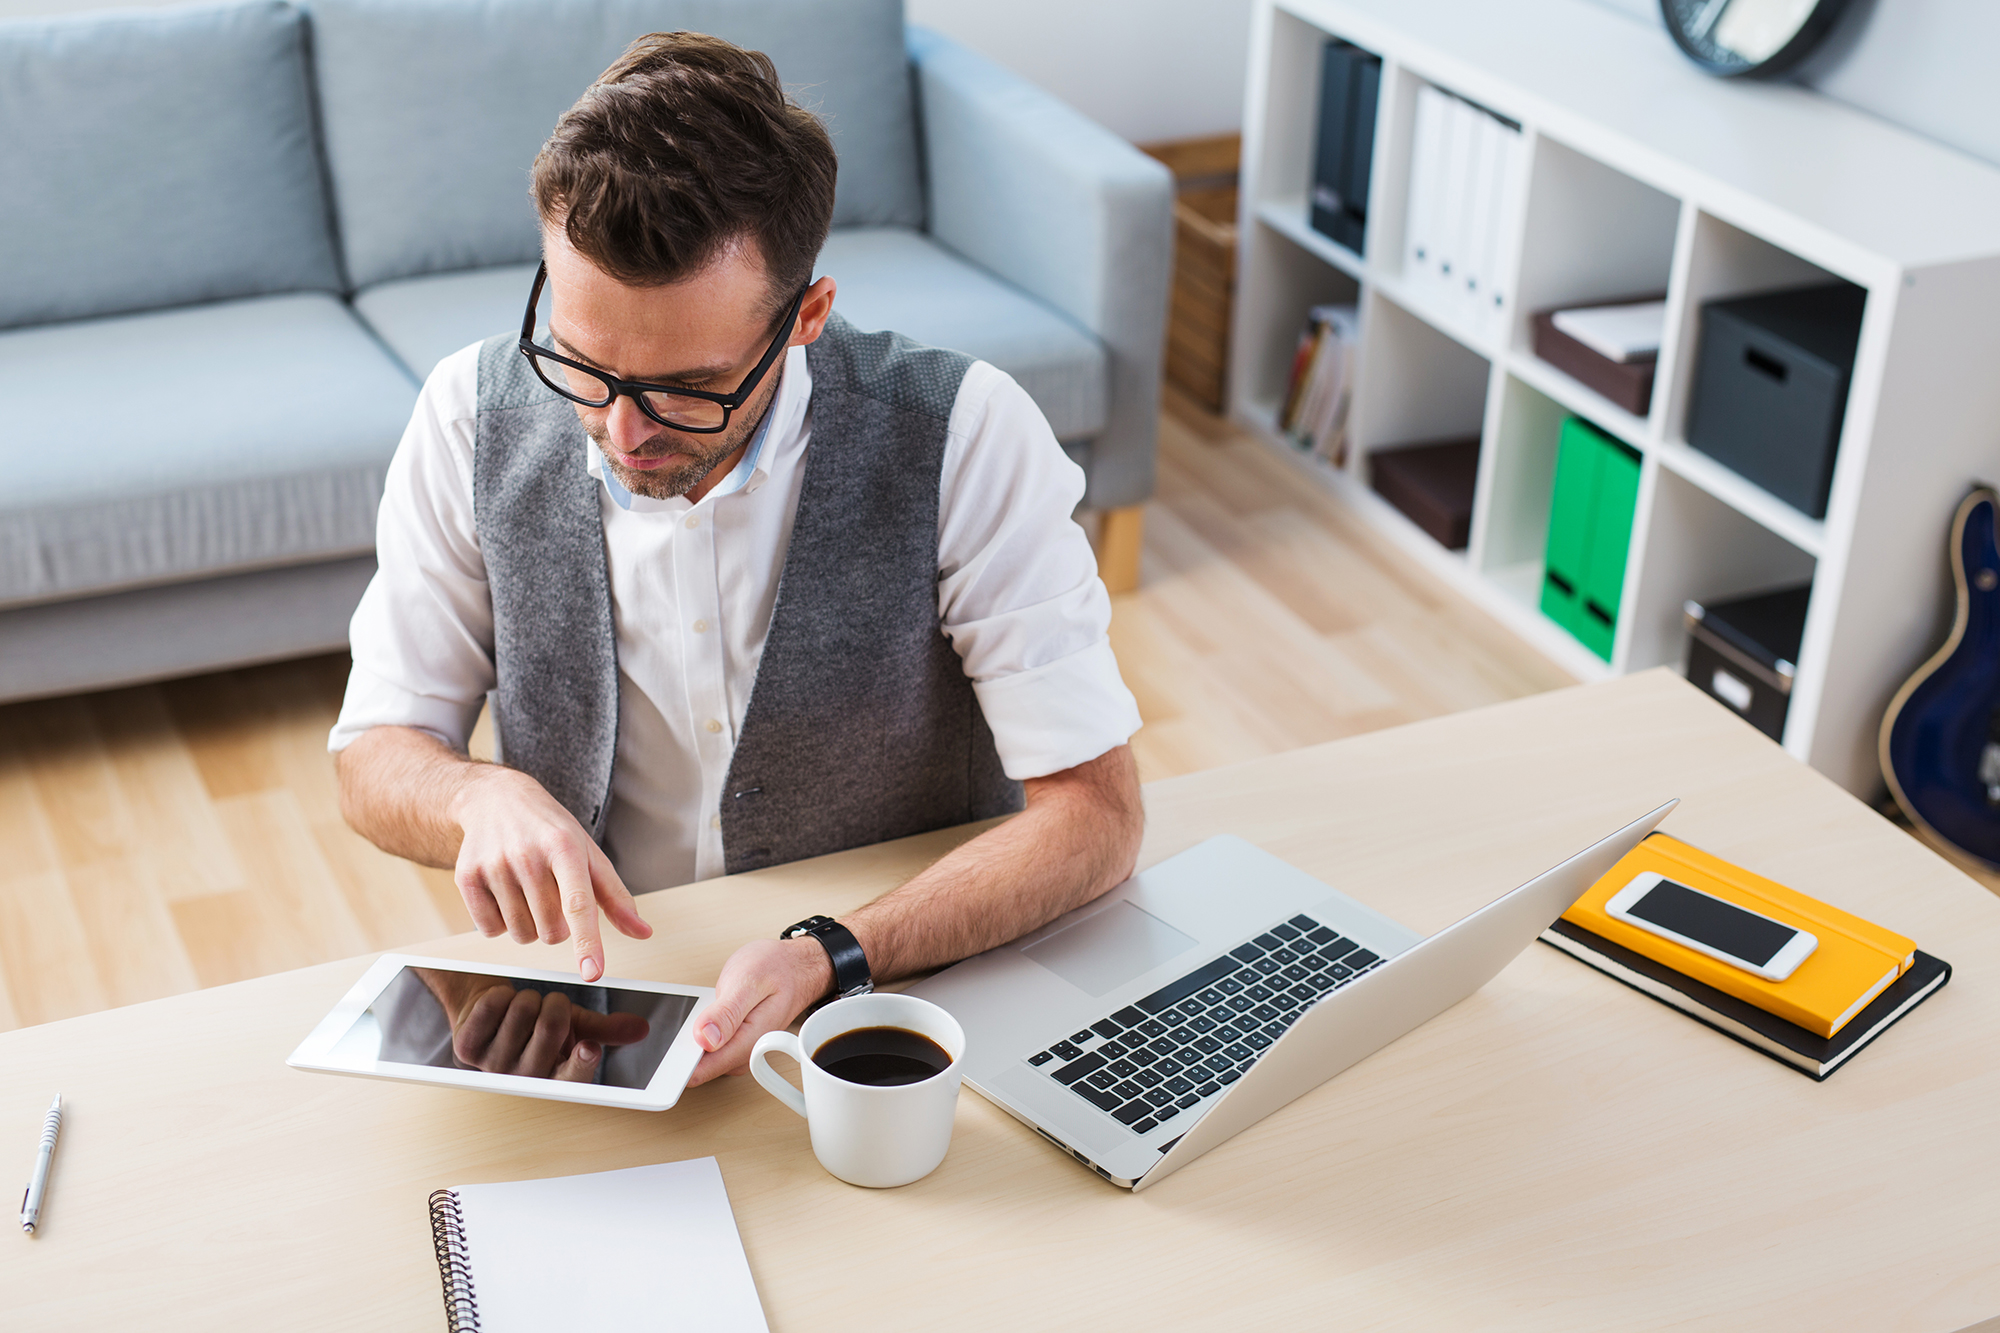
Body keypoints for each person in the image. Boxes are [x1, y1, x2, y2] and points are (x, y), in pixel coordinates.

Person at [329, 31, 1144, 1087]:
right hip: (610, 1004)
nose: (621, 433)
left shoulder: (965, 432)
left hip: (905, 1001)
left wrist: (831, 953)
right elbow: (373, 754)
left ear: (806, 317)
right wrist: (475, 796)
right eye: (580, 365)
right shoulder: (466, 415)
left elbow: (1095, 814)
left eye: (685, 387)